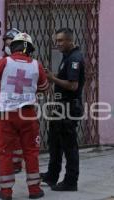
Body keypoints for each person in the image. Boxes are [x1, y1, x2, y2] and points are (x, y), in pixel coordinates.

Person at [0, 32, 48, 200]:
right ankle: (34, 190)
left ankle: (6, 192)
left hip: (5, 114)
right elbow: (44, 86)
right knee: (31, 152)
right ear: (30, 49)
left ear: (13, 47)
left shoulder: (5, 62)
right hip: (28, 114)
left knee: (4, 152)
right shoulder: (36, 65)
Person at [40, 28, 85, 191]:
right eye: (56, 40)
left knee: (69, 146)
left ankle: (71, 181)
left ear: (70, 41)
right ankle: (52, 175)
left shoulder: (74, 59)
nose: (57, 44)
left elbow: (73, 86)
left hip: (69, 107)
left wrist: (52, 78)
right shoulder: (67, 57)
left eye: (60, 41)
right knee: (55, 143)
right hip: (60, 107)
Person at [0, 28, 23, 174]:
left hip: (18, 106)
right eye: (7, 43)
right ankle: (3, 163)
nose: (8, 47)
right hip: (1, 106)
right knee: (2, 138)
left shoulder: (26, 62)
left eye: (12, 44)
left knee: (16, 138)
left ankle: (15, 163)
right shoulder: (0, 61)